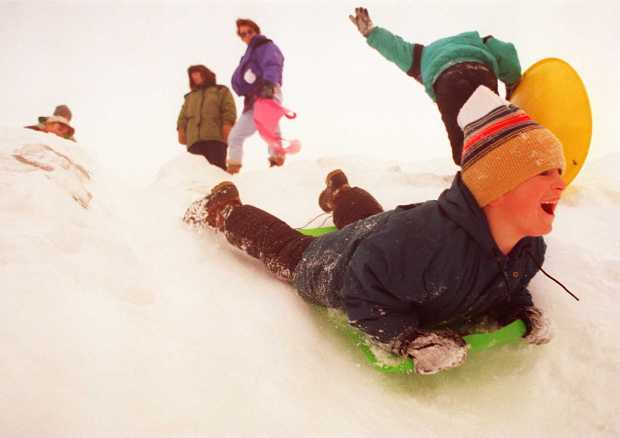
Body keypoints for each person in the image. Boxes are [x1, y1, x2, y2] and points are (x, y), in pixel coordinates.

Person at [183, 86, 566, 374]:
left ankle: (341, 195)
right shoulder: (421, 246)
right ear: (494, 189)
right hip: (351, 266)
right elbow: (362, 292)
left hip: (386, 238)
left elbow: (505, 283)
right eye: (544, 173)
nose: (560, 184)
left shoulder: (529, 248)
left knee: (374, 223)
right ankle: (223, 209)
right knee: (291, 253)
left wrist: (520, 310)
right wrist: (407, 338)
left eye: (559, 171)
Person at [348, 7, 522, 165]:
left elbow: (395, 48)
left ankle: (479, 181)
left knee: (463, 151)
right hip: (480, 72)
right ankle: (508, 162)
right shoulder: (477, 40)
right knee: (494, 130)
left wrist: (371, 32)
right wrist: (512, 84)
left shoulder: (421, 55)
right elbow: (507, 54)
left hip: (447, 83)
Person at [228, 18, 286, 173]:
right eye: (243, 34)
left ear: (256, 31)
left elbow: (273, 63)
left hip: (266, 92)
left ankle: (277, 162)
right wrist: (242, 83)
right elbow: (237, 80)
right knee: (235, 136)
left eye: (249, 32)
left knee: (270, 127)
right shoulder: (247, 56)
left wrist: (268, 85)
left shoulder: (265, 46)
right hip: (252, 100)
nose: (247, 35)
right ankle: (233, 168)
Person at [177, 65, 237, 171]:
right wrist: (181, 130)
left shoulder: (221, 90)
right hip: (194, 142)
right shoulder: (190, 97)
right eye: (192, 75)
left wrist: (227, 125)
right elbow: (182, 117)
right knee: (197, 174)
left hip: (215, 138)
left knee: (217, 170)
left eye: (197, 73)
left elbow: (229, 109)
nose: (195, 76)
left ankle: (222, 187)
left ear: (206, 74)